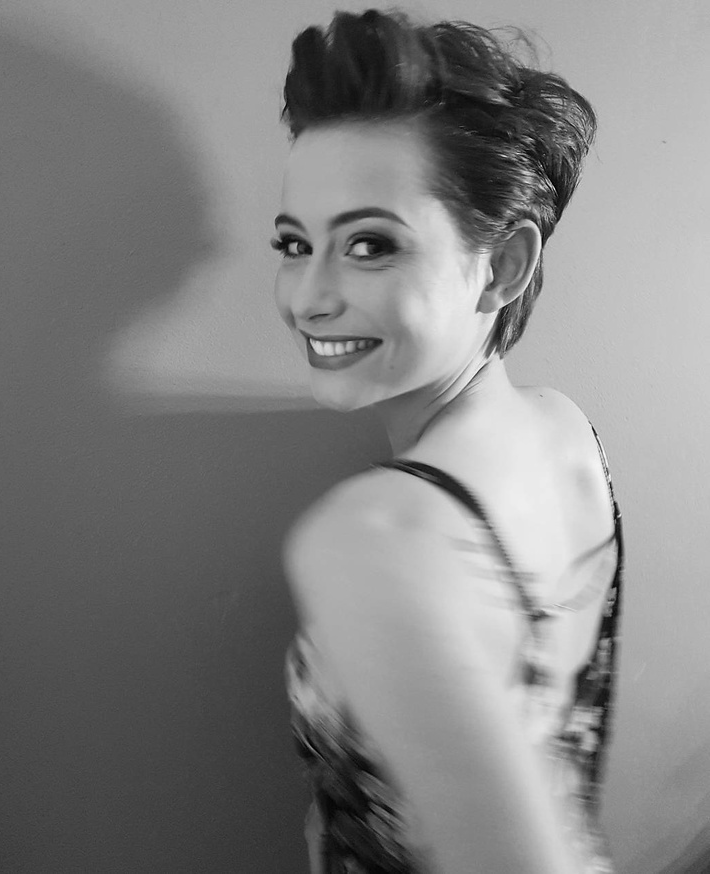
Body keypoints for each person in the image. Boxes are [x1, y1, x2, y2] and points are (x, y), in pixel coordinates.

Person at [273, 9, 624, 873]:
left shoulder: (374, 536)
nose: (308, 297)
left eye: (369, 245)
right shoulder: (564, 429)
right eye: (295, 243)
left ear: (503, 266)